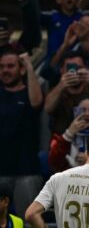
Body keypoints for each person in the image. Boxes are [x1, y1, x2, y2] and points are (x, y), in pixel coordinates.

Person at [0, 49, 43, 216]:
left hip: (26, 172)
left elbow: (37, 103)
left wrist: (29, 67)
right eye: (2, 67)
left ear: (21, 69)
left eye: (11, 66)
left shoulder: (30, 92)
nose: (5, 70)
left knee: (28, 221)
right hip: (1, 170)